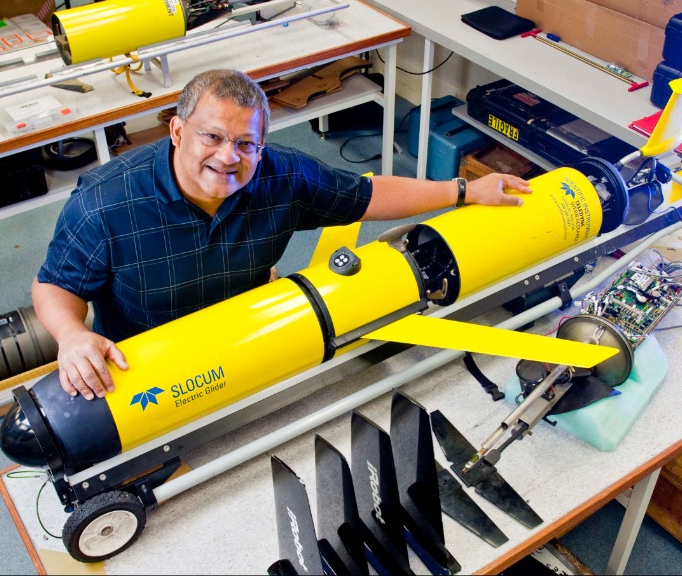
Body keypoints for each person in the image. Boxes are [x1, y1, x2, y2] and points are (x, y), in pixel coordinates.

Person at [33, 69, 532, 401]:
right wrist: (73, 336)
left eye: (246, 143)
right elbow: (55, 283)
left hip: (250, 339)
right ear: (178, 131)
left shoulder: (281, 175)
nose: (228, 156)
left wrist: (463, 189)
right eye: (212, 136)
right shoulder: (105, 201)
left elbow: (366, 195)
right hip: (149, 367)